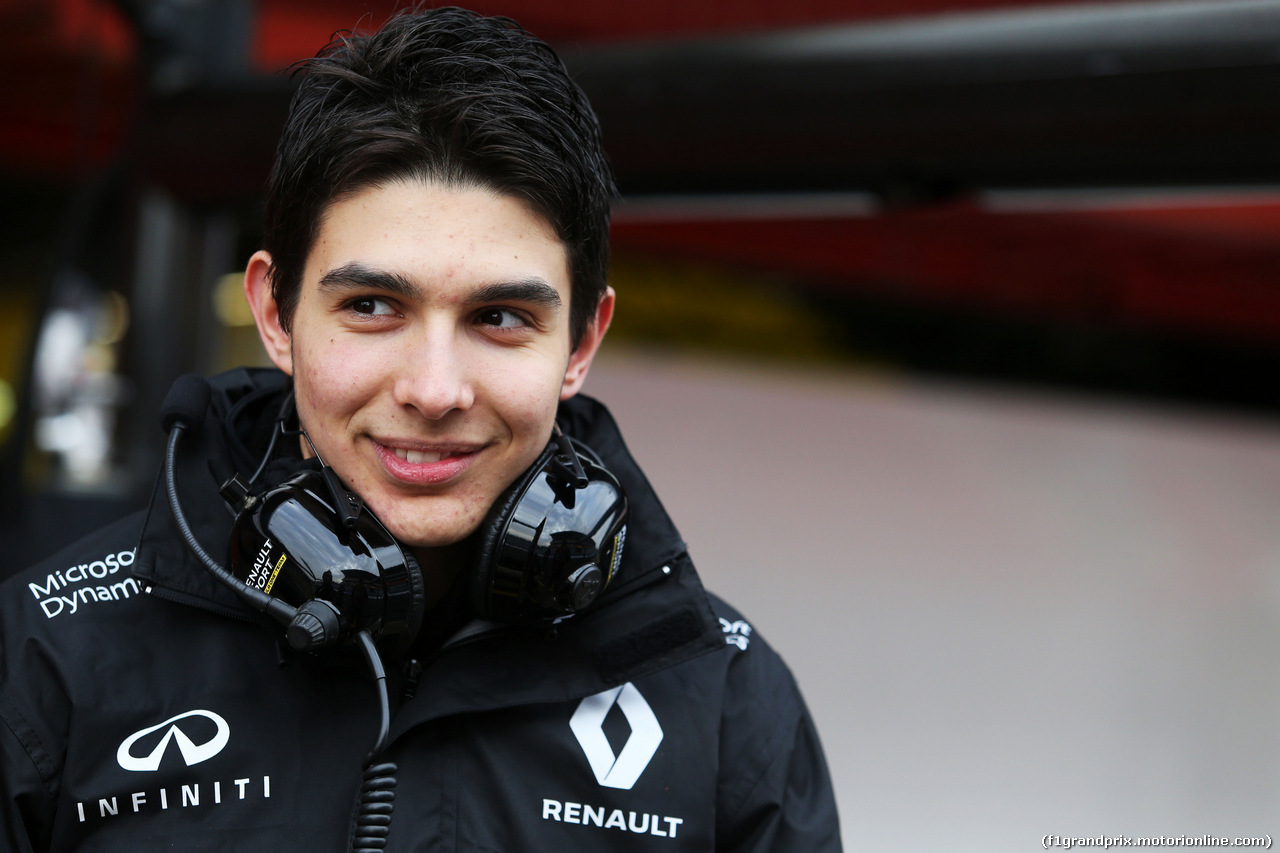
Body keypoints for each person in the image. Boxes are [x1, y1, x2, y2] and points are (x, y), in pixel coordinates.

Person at [0, 7, 841, 851]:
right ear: (276, 312)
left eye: (501, 317)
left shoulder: (728, 699)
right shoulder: (48, 656)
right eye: (372, 306)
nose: (434, 389)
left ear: (581, 343)